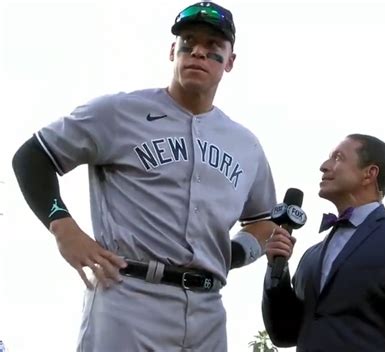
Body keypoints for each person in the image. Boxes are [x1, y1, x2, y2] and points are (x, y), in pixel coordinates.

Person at [12, 2, 278, 351]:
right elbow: (33, 156)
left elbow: (263, 222)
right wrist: (64, 228)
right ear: (173, 51)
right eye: (188, 42)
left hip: (208, 307)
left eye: (213, 47)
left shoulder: (245, 145)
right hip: (129, 295)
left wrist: (233, 254)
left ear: (230, 62)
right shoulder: (119, 112)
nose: (198, 51)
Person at [263, 134, 385, 351]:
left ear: (369, 173)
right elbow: (284, 334)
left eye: (338, 158)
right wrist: (276, 268)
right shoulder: (310, 257)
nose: (324, 166)